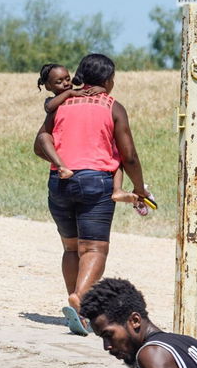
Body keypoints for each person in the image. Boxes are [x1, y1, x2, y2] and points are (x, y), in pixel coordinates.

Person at [33, 54, 152, 336]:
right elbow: (129, 156)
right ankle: (80, 299)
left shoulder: (61, 105)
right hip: (96, 181)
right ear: (109, 80)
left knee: (71, 248)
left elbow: (40, 145)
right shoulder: (112, 107)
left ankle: (77, 310)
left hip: (60, 182)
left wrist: (63, 163)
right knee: (95, 249)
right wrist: (138, 187)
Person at [37, 64, 153, 214]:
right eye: (59, 82)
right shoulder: (54, 102)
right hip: (93, 177)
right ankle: (62, 165)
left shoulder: (74, 96)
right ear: (47, 86)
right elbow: (48, 107)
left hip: (65, 184)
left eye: (67, 79)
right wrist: (70, 93)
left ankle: (117, 189)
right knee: (44, 138)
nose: (66, 84)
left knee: (115, 155)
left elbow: (87, 91)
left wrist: (101, 90)